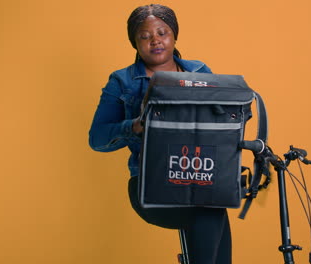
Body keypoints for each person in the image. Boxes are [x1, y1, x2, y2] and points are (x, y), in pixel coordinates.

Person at [89, 4, 232, 264]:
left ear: (174, 35)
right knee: (209, 213)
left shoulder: (199, 73)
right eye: (145, 36)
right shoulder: (122, 82)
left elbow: (219, 122)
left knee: (213, 208)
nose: (155, 40)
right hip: (151, 184)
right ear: (135, 42)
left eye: (162, 32)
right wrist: (133, 127)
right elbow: (97, 139)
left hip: (199, 175)